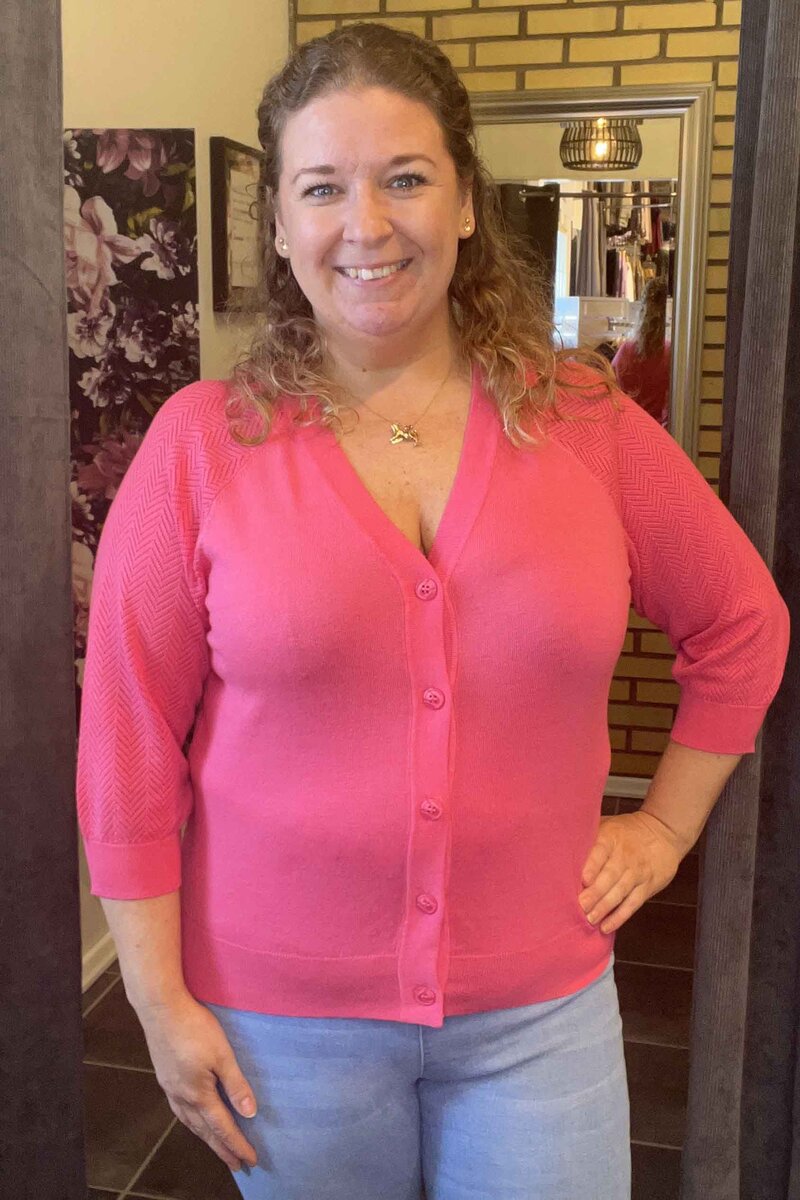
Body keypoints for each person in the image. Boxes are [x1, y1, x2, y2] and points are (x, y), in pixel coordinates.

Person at [76, 23, 790, 1200]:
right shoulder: (201, 445)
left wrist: (663, 828)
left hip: (538, 1012)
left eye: (404, 178)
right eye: (322, 188)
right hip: (279, 1020)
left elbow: (739, 623)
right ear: (280, 224)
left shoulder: (585, 425)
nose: (365, 224)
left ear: (463, 202)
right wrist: (156, 1003)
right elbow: (126, 740)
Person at [611, 276, 672, 426]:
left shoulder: (626, 350)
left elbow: (612, 389)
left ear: (642, 308)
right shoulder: (671, 353)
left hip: (629, 426)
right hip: (659, 430)